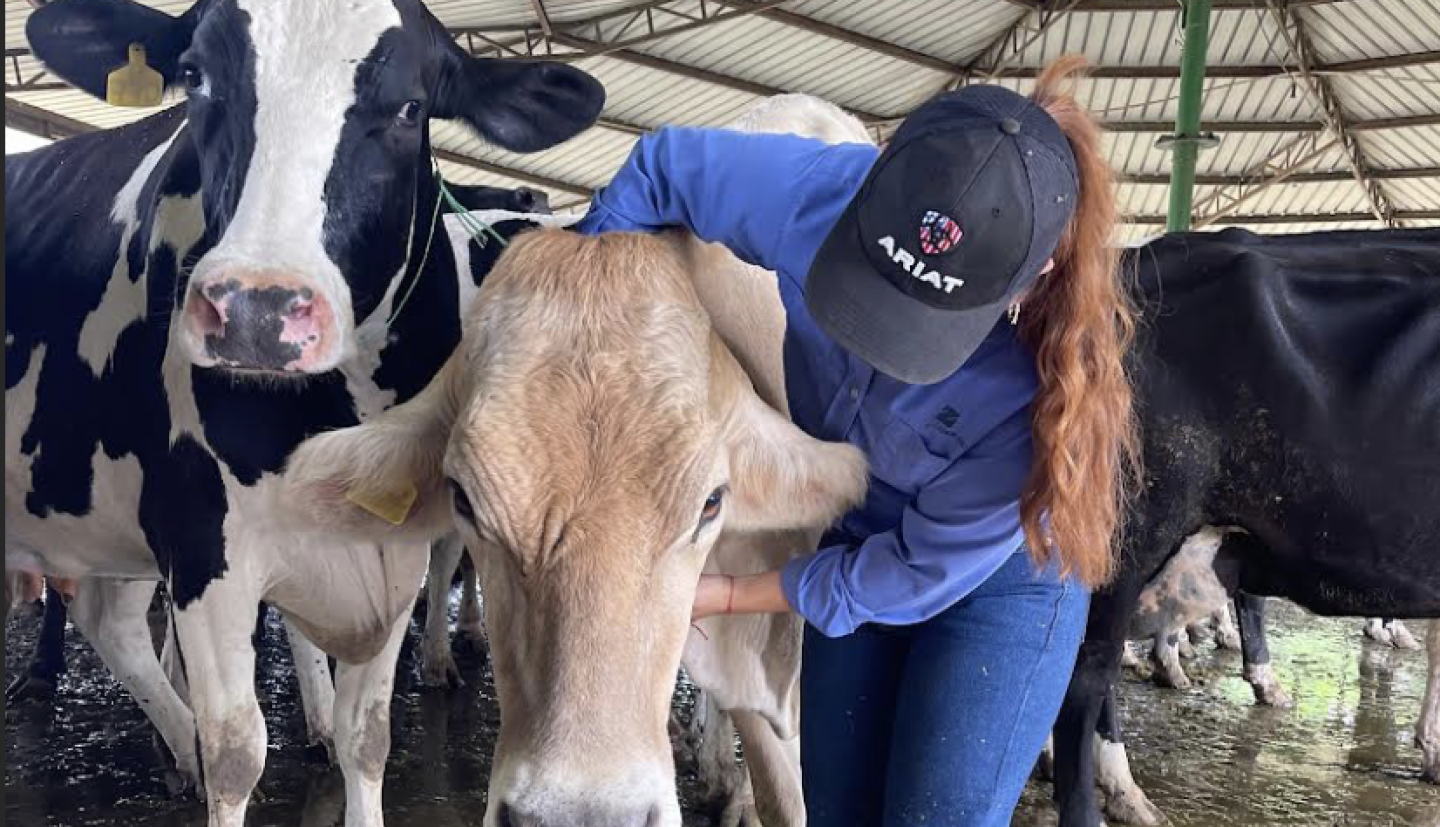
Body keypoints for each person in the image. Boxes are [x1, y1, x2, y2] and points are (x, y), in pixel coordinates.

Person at [575, 57, 1138, 827]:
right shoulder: (819, 192)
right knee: (836, 809)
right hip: (859, 527)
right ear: (880, 182)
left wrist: (731, 593)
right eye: (869, 279)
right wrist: (578, 333)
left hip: (1000, 581)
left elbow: (903, 574)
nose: (872, 339)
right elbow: (662, 166)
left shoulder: (1036, 403)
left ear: (1035, 276)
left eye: (921, 323)